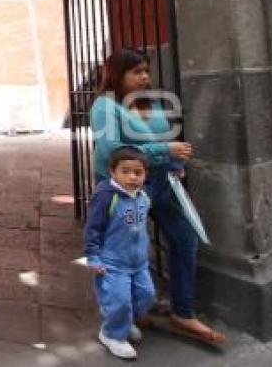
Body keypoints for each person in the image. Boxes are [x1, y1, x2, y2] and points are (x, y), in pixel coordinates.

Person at [90, 48, 225, 344]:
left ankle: (183, 312)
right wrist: (164, 151)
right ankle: (126, 313)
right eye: (136, 71)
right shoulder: (105, 106)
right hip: (124, 190)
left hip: (163, 182)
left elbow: (163, 138)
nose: (145, 77)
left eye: (146, 71)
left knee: (185, 238)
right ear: (117, 73)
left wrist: (175, 164)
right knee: (127, 251)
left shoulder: (146, 101)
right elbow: (111, 152)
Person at [84, 147, 156, 359]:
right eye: (125, 171)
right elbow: (93, 228)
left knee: (146, 294)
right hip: (113, 262)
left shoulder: (143, 195)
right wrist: (93, 256)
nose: (132, 177)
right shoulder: (106, 197)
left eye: (138, 172)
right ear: (112, 172)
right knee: (120, 300)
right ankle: (112, 334)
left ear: (145, 174)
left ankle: (122, 320)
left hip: (139, 262)